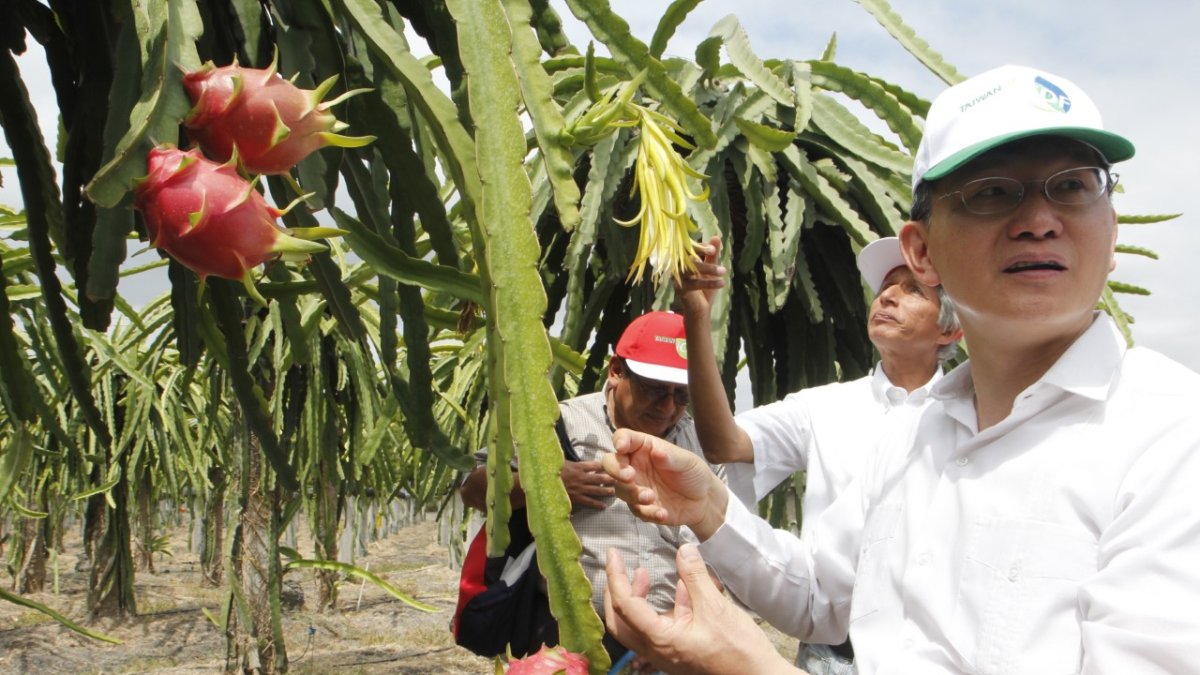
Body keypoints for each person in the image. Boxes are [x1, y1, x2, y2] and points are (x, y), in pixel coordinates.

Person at [600, 64, 1200, 674]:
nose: (1041, 220)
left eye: (1073, 186)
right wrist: (710, 509)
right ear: (922, 250)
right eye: (992, 192)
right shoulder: (911, 438)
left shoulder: (1175, 439)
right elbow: (826, 601)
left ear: (1113, 225)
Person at [677, 235, 960, 673]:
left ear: (950, 329)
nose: (887, 295)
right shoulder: (823, 407)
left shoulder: (973, 418)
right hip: (828, 656)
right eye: (886, 286)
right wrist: (697, 318)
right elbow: (723, 443)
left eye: (912, 289)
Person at [459, 310, 722, 663]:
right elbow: (473, 489)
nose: (669, 407)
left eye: (682, 395)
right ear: (616, 370)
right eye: (655, 390)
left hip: (676, 643)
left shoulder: (703, 445)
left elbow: (723, 547)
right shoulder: (559, 424)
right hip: (567, 638)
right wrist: (546, 483)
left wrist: (681, 626)